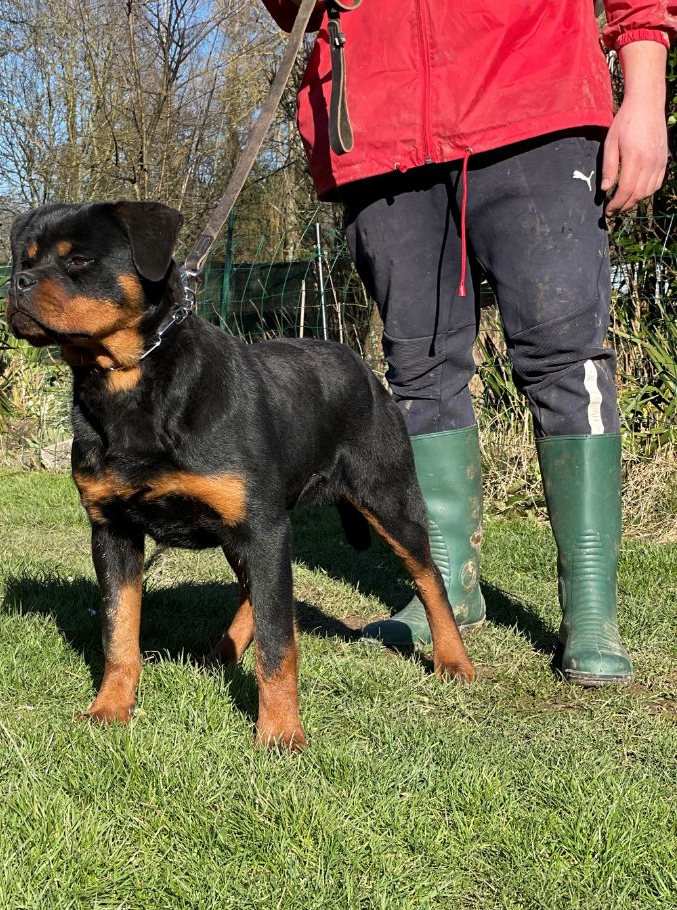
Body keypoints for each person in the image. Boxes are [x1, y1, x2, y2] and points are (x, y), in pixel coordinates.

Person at [262, 0, 675, 685]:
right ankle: (448, 584)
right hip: (382, 126)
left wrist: (645, 93)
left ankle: (593, 609)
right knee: (418, 371)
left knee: (565, 357)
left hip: (534, 99)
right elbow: (292, 11)